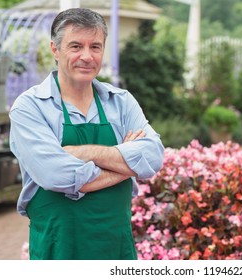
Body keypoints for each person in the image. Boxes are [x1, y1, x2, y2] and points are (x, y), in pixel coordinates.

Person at [9, 8, 164, 260]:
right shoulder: (30, 107)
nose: (87, 56)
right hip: (58, 248)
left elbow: (153, 157)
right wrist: (128, 165)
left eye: (95, 46)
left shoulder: (121, 102)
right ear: (55, 50)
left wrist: (81, 154)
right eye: (75, 46)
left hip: (116, 249)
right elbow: (56, 175)